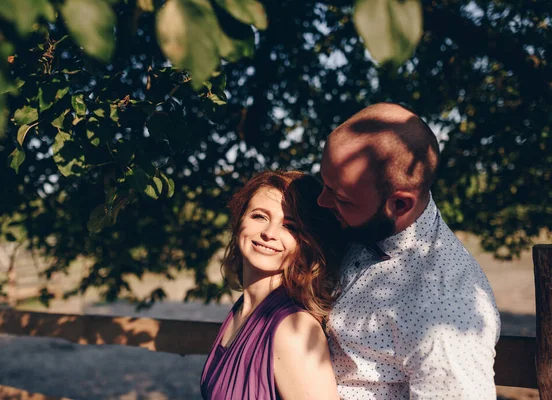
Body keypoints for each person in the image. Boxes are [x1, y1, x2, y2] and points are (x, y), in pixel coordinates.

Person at [318, 103, 501, 399]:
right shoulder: (359, 226)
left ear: (400, 204)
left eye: (340, 197)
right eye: (323, 183)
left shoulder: (446, 312)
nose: (321, 202)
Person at [200, 171, 344, 400]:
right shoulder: (242, 309)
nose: (269, 233)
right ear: (239, 222)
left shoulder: (293, 330)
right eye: (259, 216)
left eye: (290, 226)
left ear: (306, 243)